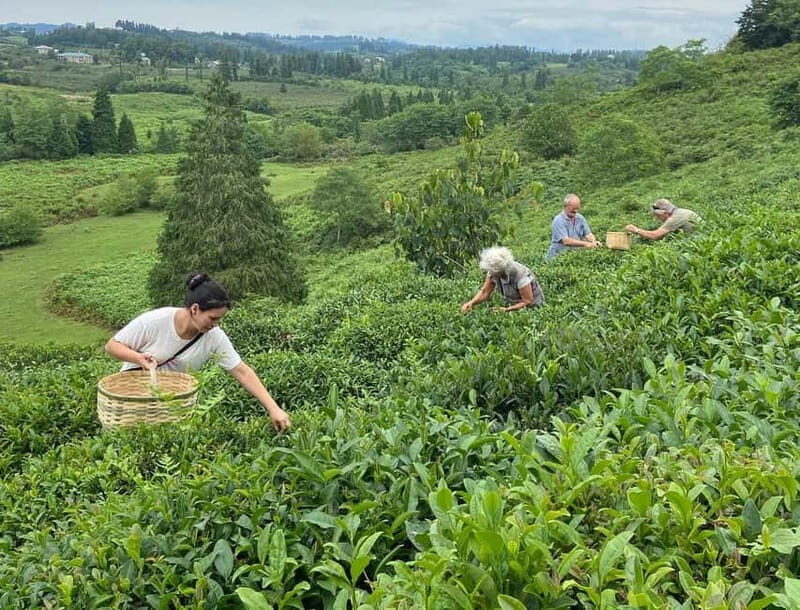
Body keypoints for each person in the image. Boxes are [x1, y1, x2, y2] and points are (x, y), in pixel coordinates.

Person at [105, 273, 291, 433]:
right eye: (212, 318)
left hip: (175, 408)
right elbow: (112, 345)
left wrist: (273, 409)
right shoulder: (155, 321)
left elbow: (242, 370)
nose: (215, 324)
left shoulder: (213, 336)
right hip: (134, 402)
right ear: (195, 309)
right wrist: (138, 358)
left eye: (219, 320)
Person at [461, 246, 544, 314]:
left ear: (499, 270)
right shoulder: (493, 272)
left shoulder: (520, 275)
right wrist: (471, 303)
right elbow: (485, 292)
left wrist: (506, 310)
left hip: (533, 309)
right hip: (513, 306)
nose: (489, 273)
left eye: (491, 271)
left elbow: (527, 301)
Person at [546, 193, 600, 260]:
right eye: (573, 208)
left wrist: (593, 242)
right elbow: (566, 241)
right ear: (565, 206)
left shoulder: (580, 218)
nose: (575, 211)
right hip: (557, 258)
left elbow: (588, 234)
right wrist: (586, 244)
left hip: (573, 257)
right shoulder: (558, 220)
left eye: (577, 208)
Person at [626, 198, 701, 240]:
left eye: (658, 216)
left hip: (699, 240)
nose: (658, 219)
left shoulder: (675, 218)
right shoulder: (681, 211)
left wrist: (636, 230)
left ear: (665, 213)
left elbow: (654, 235)